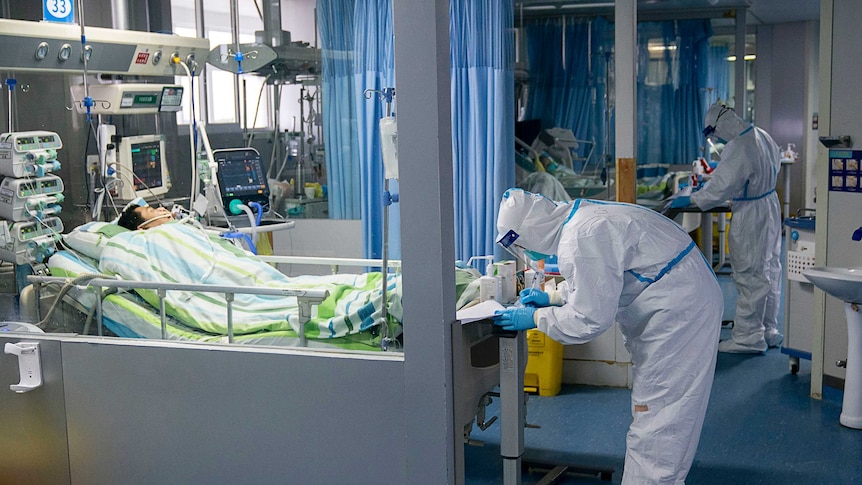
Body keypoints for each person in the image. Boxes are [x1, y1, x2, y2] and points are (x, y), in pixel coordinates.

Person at [492, 188, 722, 485]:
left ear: (530, 230)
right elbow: (603, 278)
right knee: (660, 414)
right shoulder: (579, 220)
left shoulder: (581, 237)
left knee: (658, 418)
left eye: (519, 242)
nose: (525, 250)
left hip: (679, 312)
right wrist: (555, 297)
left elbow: (589, 320)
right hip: (678, 300)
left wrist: (536, 318)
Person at [670, 101, 783, 353]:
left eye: (714, 132)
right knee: (770, 268)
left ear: (720, 124)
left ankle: (748, 338)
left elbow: (720, 187)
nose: (716, 138)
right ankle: (768, 329)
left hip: (752, 213)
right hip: (769, 205)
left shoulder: (739, 146)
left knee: (750, 274)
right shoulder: (761, 135)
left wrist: (693, 198)